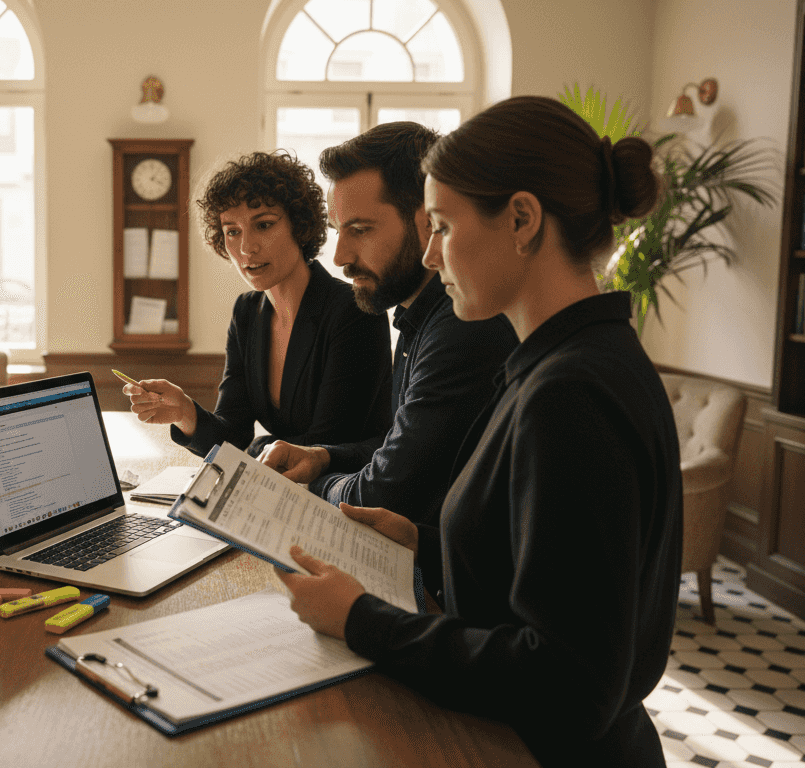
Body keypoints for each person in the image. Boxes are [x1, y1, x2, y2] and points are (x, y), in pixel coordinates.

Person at [277, 96, 683, 767]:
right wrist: (425, 544)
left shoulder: (570, 392)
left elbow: (569, 681)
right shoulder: (573, 359)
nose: (432, 256)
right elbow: (555, 570)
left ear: (521, 219)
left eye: (441, 226)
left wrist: (360, 619)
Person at [259, 123, 517, 524]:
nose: (340, 257)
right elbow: (398, 448)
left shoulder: (462, 327)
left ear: (426, 221)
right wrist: (322, 458)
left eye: (360, 230)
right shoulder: (422, 319)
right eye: (337, 232)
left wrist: (312, 487)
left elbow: (384, 493)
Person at [123, 150, 393, 458]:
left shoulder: (352, 310)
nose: (246, 248)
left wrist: (259, 447)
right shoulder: (247, 312)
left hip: (346, 494)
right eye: (232, 232)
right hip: (281, 488)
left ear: (300, 225)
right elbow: (233, 432)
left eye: (263, 225)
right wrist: (186, 413)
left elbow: (327, 445)